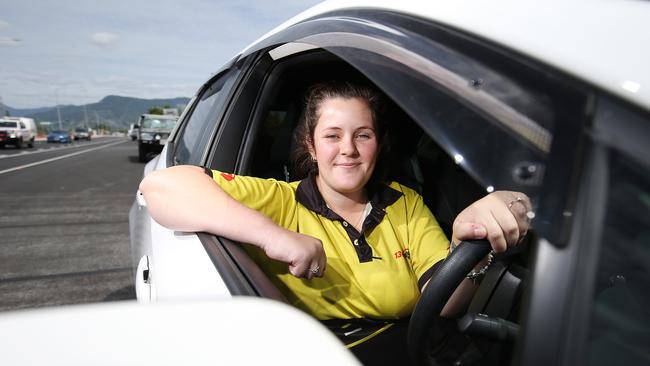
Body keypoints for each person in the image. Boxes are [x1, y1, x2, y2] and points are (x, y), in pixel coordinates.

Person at [139, 81, 531, 364]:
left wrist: (472, 242)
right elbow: (162, 186)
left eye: (363, 135)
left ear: (378, 144)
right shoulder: (281, 199)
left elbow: (443, 302)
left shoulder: (403, 201)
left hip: (416, 346)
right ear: (310, 145)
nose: (348, 149)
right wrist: (273, 236)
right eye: (332, 135)